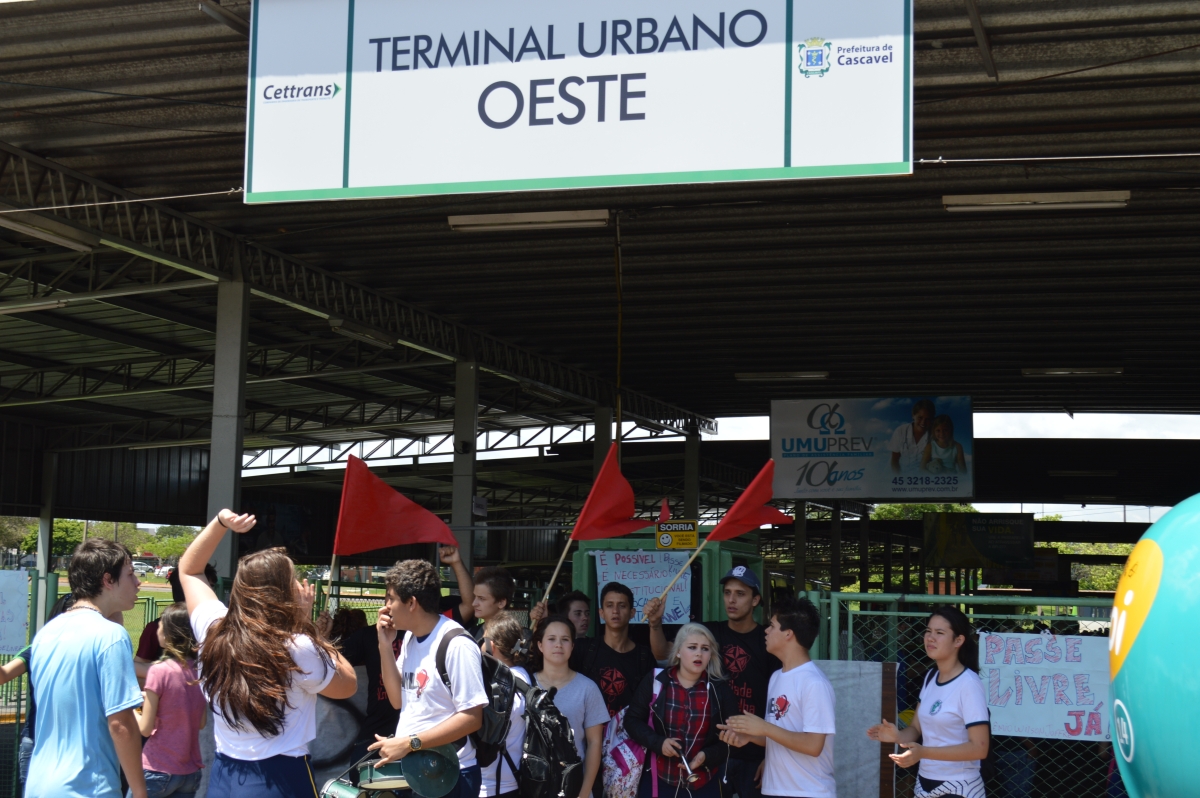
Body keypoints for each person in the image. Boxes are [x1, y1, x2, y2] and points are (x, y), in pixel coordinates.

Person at [179, 510, 357, 798]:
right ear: (284, 594)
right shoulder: (298, 646)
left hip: (225, 777)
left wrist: (220, 522)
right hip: (281, 780)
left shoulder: (213, 629)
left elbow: (189, 570)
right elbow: (348, 684)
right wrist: (309, 628)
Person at [26, 538, 148, 798]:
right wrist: (139, 792)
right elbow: (121, 723)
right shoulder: (110, 636)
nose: (138, 582)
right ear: (107, 580)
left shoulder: (47, 634)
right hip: (88, 787)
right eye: (130, 574)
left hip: (39, 784)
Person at [646, 566, 781, 798]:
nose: (731, 599)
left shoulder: (767, 641)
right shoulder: (709, 632)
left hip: (754, 754)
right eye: (727, 592)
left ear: (755, 600)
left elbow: (777, 704)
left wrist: (772, 755)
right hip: (714, 751)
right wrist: (655, 624)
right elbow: (664, 653)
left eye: (740, 594)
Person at [370, 559, 489, 798]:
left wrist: (409, 743)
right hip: (417, 772)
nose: (386, 607)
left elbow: (472, 718)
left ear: (411, 603)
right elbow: (397, 700)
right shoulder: (410, 639)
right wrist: (385, 645)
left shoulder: (456, 645)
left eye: (391, 598)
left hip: (450, 775)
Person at [719, 596, 836, 798]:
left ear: (788, 634)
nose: (766, 630)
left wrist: (764, 727)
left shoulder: (814, 683)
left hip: (808, 791)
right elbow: (778, 735)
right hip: (775, 789)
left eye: (772, 626)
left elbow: (813, 745)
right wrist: (749, 736)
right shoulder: (776, 677)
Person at [867, 606, 989, 798]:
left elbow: (979, 748)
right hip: (924, 785)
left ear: (959, 640)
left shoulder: (969, 684)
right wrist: (897, 736)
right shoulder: (930, 677)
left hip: (958, 787)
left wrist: (923, 753)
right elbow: (915, 728)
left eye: (940, 633)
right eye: (928, 631)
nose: (930, 638)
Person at [625, 623, 739, 798]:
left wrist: (707, 756)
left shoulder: (720, 690)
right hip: (659, 780)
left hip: (705, 783)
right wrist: (659, 743)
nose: (699, 653)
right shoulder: (656, 682)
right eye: (692, 647)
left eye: (705, 649)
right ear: (678, 651)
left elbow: (733, 738)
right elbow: (632, 721)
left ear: (711, 655)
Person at [133, 602, 208, 798]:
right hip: (190, 772)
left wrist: (133, 708)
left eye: (160, 625)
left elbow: (145, 728)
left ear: (168, 633)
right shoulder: (199, 673)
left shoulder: (159, 671)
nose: (157, 628)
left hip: (157, 769)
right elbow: (201, 722)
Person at [531, 615, 608, 798]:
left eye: (565, 640)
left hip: (574, 786)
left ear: (572, 646)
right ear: (540, 645)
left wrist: (584, 792)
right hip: (531, 785)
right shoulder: (526, 684)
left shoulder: (587, 688)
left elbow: (594, 743)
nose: (558, 645)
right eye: (551, 639)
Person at [569, 583, 656, 718]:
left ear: (632, 612)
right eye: (609, 605)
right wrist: (541, 623)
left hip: (627, 736)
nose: (615, 611)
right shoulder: (583, 649)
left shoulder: (644, 657)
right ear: (601, 613)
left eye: (622, 605)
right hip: (587, 735)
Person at [479, 612, 531, 798]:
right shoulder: (525, 677)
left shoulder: (500, 685)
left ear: (491, 645)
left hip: (493, 784)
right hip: (517, 777)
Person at [135, 565, 217, 680]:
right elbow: (138, 669)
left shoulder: (216, 626)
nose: (213, 592)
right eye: (209, 587)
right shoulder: (155, 628)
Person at [890, 399, 936, 473]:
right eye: (920, 418)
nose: (923, 422)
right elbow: (894, 460)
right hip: (902, 477)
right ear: (913, 415)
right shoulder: (900, 431)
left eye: (927, 419)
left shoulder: (934, 435)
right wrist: (900, 480)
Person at [471, 566, 515, 641]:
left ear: (501, 602)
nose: (474, 603)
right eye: (475, 597)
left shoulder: (519, 638)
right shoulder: (471, 634)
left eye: (482, 599)